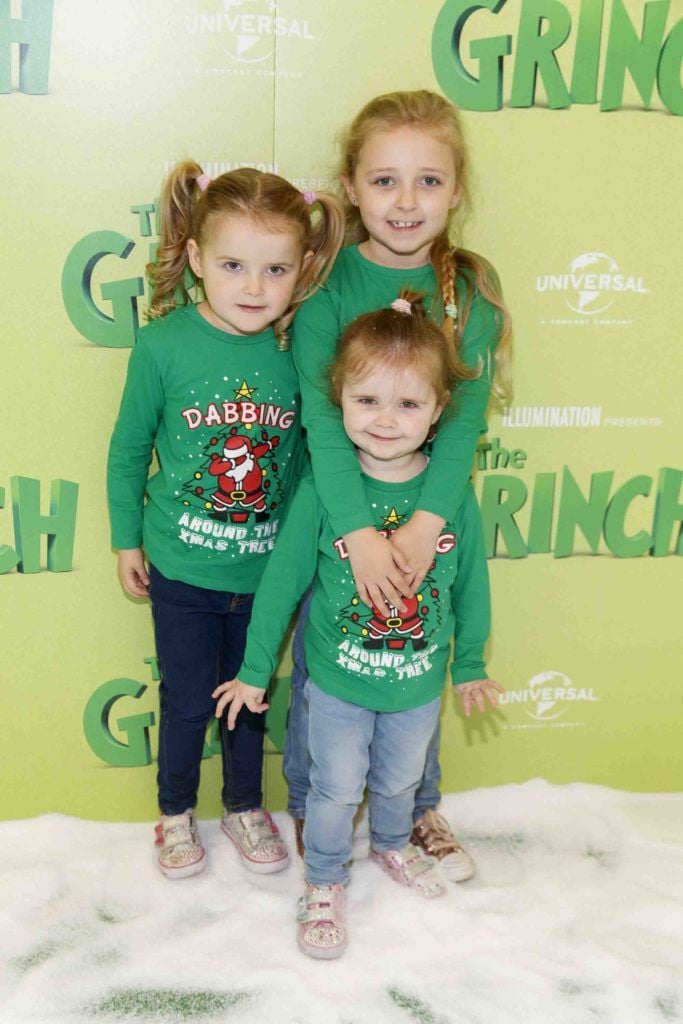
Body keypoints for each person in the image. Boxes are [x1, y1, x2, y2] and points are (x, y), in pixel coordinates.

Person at [214, 293, 504, 958]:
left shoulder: (450, 498)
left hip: (415, 689)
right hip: (339, 689)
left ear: (437, 413)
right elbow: (280, 587)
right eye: (367, 399)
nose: (384, 420)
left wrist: (470, 666)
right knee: (335, 787)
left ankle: (394, 845)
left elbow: (470, 588)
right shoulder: (324, 492)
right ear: (338, 399)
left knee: (400, 781)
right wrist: (255, 671)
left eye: (407, 404)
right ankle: (322, 881)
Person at [284, 89, 513, 881]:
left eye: (427, 181)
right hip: (341, 519)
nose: (405, 201)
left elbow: (463, 425)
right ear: (350, 186)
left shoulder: (469, 295)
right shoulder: (323, 289)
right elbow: (321, 423)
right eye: (383, 180)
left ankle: (414, 808)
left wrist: (421, 528)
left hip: (428, 517)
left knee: (413, 657)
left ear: (456, 190)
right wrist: (356, 534)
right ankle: (313, 813)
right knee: (331, 670)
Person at [107, 163, 344, 879]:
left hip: (268, 575)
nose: (252, 287)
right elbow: (127, 451)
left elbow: (311, 462)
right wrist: (125, 539)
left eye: (273, 270)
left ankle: (245, 805)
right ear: (196, 258)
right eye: (234, 265)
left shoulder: (300, 348)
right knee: (186, 703)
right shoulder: (164, 345)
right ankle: (175, 813)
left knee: (249, 700)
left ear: (302, 271)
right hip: (182, 569)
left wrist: (302, 556)